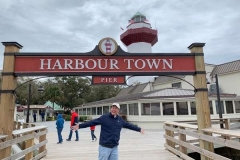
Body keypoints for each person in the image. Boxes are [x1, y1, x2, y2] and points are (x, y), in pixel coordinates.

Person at [72, 102, 144, 160]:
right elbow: (92, 122)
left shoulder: (120, 120)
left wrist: (139, 129)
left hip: (114, 147)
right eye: (113, 108)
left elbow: (129, 125)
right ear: (110, 109)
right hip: (104, 147)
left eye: (116, 108)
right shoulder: (104, 118)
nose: (114, 109)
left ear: (118, 110)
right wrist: (80, 126)